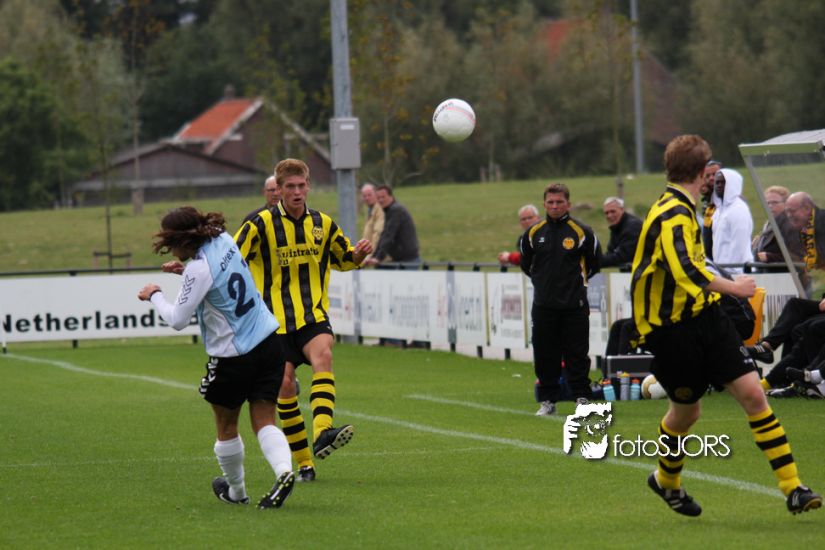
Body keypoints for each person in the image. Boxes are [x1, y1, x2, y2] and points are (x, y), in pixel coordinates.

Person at [631, 134, 821, 517]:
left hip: (707, 317)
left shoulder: (687, 209)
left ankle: (793, 487)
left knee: (753, 395)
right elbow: (686, 271)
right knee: (686, 414)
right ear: (703, 173)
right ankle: (666, 480)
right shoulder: (670, 213)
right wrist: (736, 288)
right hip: (671, 329)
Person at [137, 206, 294, 509]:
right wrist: (185, 273)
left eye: (171, 244)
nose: (172, 251)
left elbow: (177, 319)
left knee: (226, 426)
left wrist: (154, 294)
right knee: (264, 420)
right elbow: (219, 278)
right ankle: (284, 471)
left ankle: (237, 492)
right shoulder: (224, 239)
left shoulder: (198, 269)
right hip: (269, 342)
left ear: (184, 240)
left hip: (233, 356)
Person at [234, 158, 373, 482]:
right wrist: (193, 271)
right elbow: (229, 258)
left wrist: (358, 255)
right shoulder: (259, 224)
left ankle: (323, 431)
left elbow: (344, 258)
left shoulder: (323, 223)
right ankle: (305, 463)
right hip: (273, 323)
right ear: (279, 190)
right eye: (290, 187)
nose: (297, 192)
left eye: (301, 186)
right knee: (285, 386)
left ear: (308, 186)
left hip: (312, 315)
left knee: (324, 355)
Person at [520, 182, 601, 415]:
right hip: (543, 306)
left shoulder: (582, 232)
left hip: (574, 306)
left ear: (568, 204)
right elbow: (527, 265)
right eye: (551, 202)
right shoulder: (533, 233)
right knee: (545, 354)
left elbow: (594, 263)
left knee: (577, 354)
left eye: (559, 202)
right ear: (544, 204)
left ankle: (582, 398)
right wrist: (543, 283)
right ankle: (548, 401)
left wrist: (573, 286)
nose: (555, 206)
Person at [363, 185, 421, 267]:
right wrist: (374, 256)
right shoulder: (388, 211)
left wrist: (377, 258)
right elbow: (383, 236)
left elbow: (388, 235)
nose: (380, 200)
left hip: (408, 260)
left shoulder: (396, 210)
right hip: (400, 259)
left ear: (391, 196)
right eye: (378, 198)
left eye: (383, 197)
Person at [710, 168, 753, 273]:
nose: (719, 185)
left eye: (723, 182)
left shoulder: (738, 209)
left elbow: (739, 245)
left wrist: (732, 271)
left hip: (737, 271)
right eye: (717, 182)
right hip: (721, 269)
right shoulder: (718, 211)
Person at [752, 185, 805, 266]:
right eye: (767, 203)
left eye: (774, 202)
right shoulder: (770, 223)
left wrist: (770, 257)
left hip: (786, 273)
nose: (770, 206)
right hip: (768, 272)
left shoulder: (791, 225)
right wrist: (757, 245)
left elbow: (799, 257)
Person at [600, 197, 643, 270]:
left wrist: (595, 261)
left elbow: (623, 257)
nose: (609, 215)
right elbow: (611, 252)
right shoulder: (616, 227)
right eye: (606, 213)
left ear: (622, 210)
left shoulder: (633, 226)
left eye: (613, 211)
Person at [700, 160, 722, 258]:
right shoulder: (708, 200)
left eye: (715, 174)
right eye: (708, 176)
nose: (711, 178)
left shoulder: (728, 199)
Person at [361, 183, 385, 259]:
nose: (367, 198)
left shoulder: (380, 209)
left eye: (369, 195)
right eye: (364, 196)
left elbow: (378, 233)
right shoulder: (370, 209)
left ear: (376, 194)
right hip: (371, 253)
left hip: (380, 257)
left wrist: (371, 255)